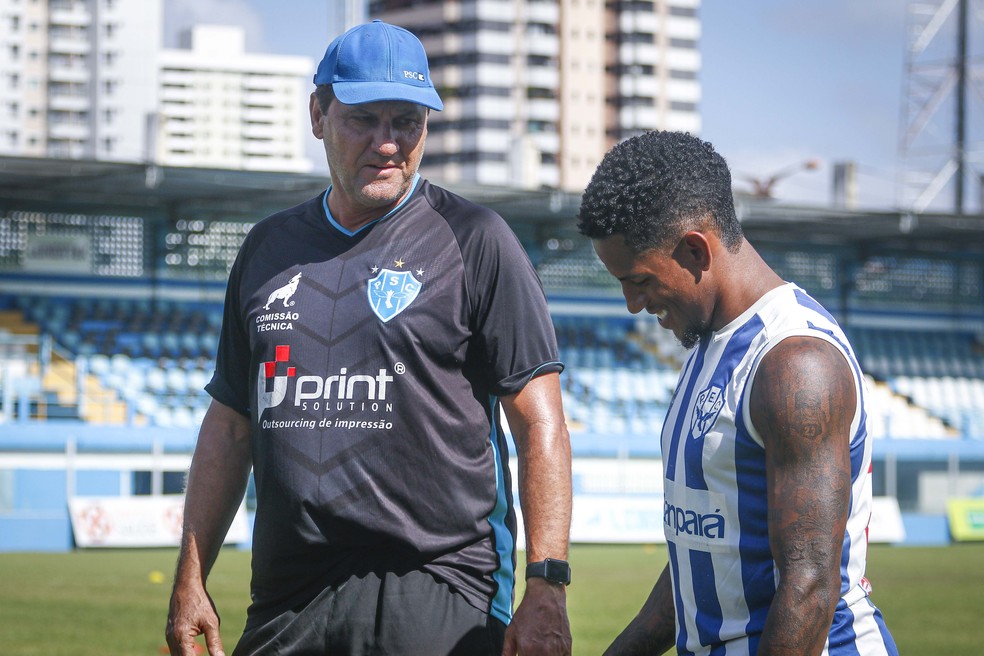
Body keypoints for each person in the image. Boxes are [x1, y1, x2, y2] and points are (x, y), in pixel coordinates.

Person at [166, 20, 572, 656]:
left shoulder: (476, 240)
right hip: (286, 593)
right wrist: (191, 577)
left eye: (406, 121)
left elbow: (539, 424)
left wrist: (547, 583)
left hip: (439, 585)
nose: (388, 144)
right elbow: (230, 427)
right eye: (363, 119)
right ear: (318, 115)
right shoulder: (267, 250)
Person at [577, 130, 898, 656]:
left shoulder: (795, 363)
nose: (633, 304)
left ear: (694, 249)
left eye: (639, 280)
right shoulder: (709, 343)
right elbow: (702, 555)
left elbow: (809, 588)